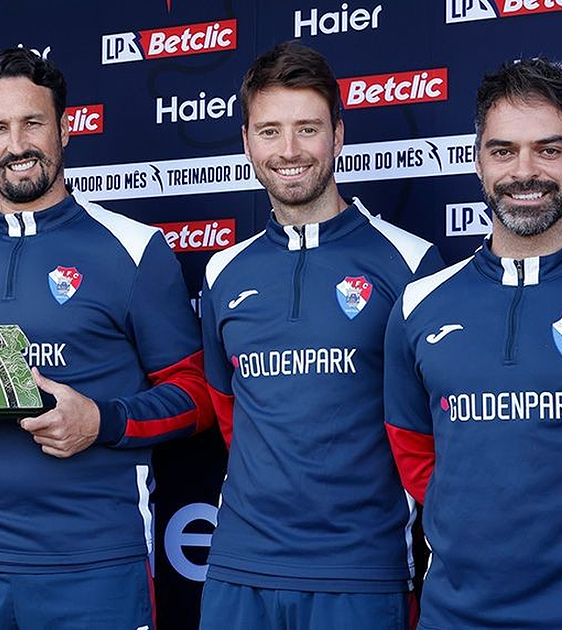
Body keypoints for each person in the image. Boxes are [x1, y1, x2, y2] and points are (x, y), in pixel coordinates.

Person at [0, 48, 214, 628]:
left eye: (33, 122)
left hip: (93, 565)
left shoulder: (134, 249)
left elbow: (197, 396)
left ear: (65, 128)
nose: (17, 144)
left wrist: (101, 420)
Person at [384, 58, 562, 629]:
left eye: (549, 149)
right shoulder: (419, 304)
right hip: (456, 616)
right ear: (478, 160)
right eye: (503, 151)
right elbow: (413, 449)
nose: (525, 171)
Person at [198, 42, 443, 629]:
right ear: (246, 142)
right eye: (270, 131)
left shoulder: (411, 264)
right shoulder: (222, 271)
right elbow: (230, 411)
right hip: (239, 569)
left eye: (307, 129)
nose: (289, 151)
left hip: (360, 572)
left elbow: (429, 432)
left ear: (338, 136)